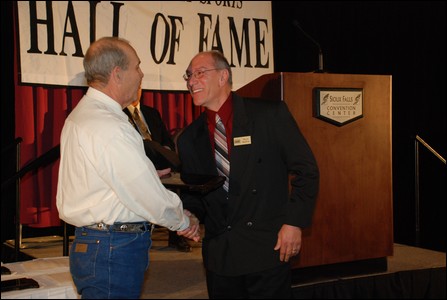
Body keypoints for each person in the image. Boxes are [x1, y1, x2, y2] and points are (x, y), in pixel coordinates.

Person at [56, 36, 200, 299]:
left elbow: (106, 179)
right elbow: (142, 192)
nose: (141, 74)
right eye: (137, 67)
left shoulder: (84, 115)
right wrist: (181, 219)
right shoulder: (109, 124)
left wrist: (145, 175)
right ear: (117, 74)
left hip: (98, 245)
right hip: (113, 248)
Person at [176, 50, 320, 299]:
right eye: (188, 75)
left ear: (223, 76)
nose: (191, 81)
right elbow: (196, 193)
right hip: (221, 257)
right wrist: (190, 214)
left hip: (268, 248)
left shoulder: (269, 115)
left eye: (199, 73)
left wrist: (294, 222)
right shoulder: (189, 138)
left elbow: (306, 170)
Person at [123, 88, 193, 252]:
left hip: (160, 163)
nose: (137, 91)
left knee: (177, 183)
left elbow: (167, 140)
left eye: (139, 88)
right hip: (138, 165)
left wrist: (164, 150)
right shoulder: (119, 114)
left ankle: (177, 235)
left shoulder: (151, 112)